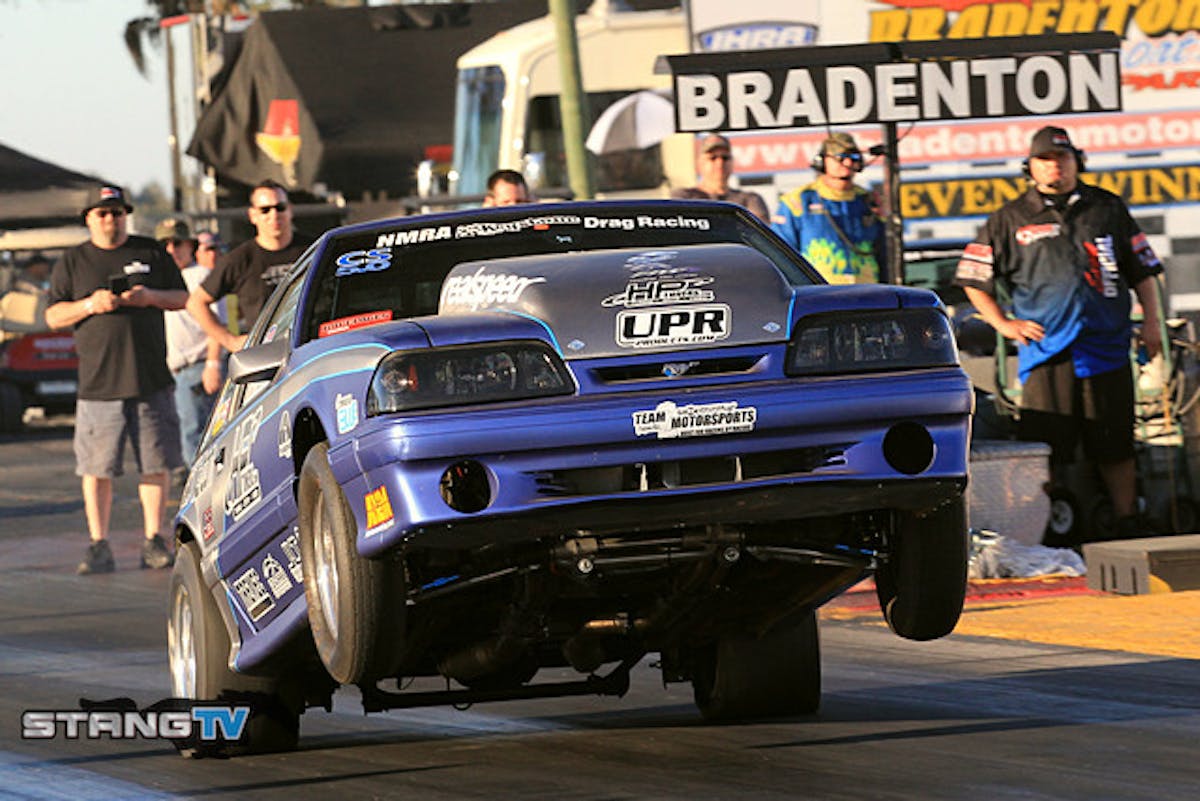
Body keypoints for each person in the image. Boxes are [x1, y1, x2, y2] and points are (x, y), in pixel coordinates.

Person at [955, 125, 1164, 539]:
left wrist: (1153, 322)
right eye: (1045, 160)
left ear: (1077, 162)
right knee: (1045, 449)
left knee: (1116, 443)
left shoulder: (1107, 207)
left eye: (1063, 159)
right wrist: (1003, 324)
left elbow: (1144, 273)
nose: (1055, 167)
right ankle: (1048, 530)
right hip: (1046, 352)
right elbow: (972, 279)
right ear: (1029, 167)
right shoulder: (1009, 218)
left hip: (1106, 347)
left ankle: (1127, 522)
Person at [44, 185, 189, 574]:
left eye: (118, 213)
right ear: (88, 218)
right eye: (103, 213)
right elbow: (52, 315)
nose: (111, 220)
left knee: (155, 465)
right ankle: (98, 543)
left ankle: (153, 539)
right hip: (98, 384)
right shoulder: (73, 261)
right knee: (96, 469)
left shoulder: (151, 251)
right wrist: (91, 304)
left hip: (150, 378)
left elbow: (182, 297)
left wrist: (149, 297)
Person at [186, 180, 313, 367]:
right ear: (253, 215)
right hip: (266, 360)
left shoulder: (313, 251)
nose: (274, 215)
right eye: (265, 210)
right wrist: (230, 341)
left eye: (280, 207)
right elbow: (195, 302)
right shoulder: (239, 259)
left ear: (290, 210)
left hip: (312, 350)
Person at [771, 132, 885, 284]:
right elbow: (780, 258)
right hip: (821, 297)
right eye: (840, 158)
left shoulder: (869, 201)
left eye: (853, 158)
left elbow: (887, 251)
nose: (848, 164)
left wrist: (884, 216)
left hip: (869, 293)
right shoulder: (797, 201)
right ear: (822, 161)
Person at [157, 218, 224, 467]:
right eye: (165, 244)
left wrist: (213, 364)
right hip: (173, 373)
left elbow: (218, 324)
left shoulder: (202, 276)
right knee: (184, 437)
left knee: (197, 440)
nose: (171, 250)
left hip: (198, 367)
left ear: (190, 246)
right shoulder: (161, 279)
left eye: (177, 243)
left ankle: (202, 500)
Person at [671, 133, 769, 222]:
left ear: (732, 162)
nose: (720, 163)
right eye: (713, 158)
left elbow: (759, 232)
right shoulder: (683, 198)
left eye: (725, 157)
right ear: (699, 163)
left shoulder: (751, 199)